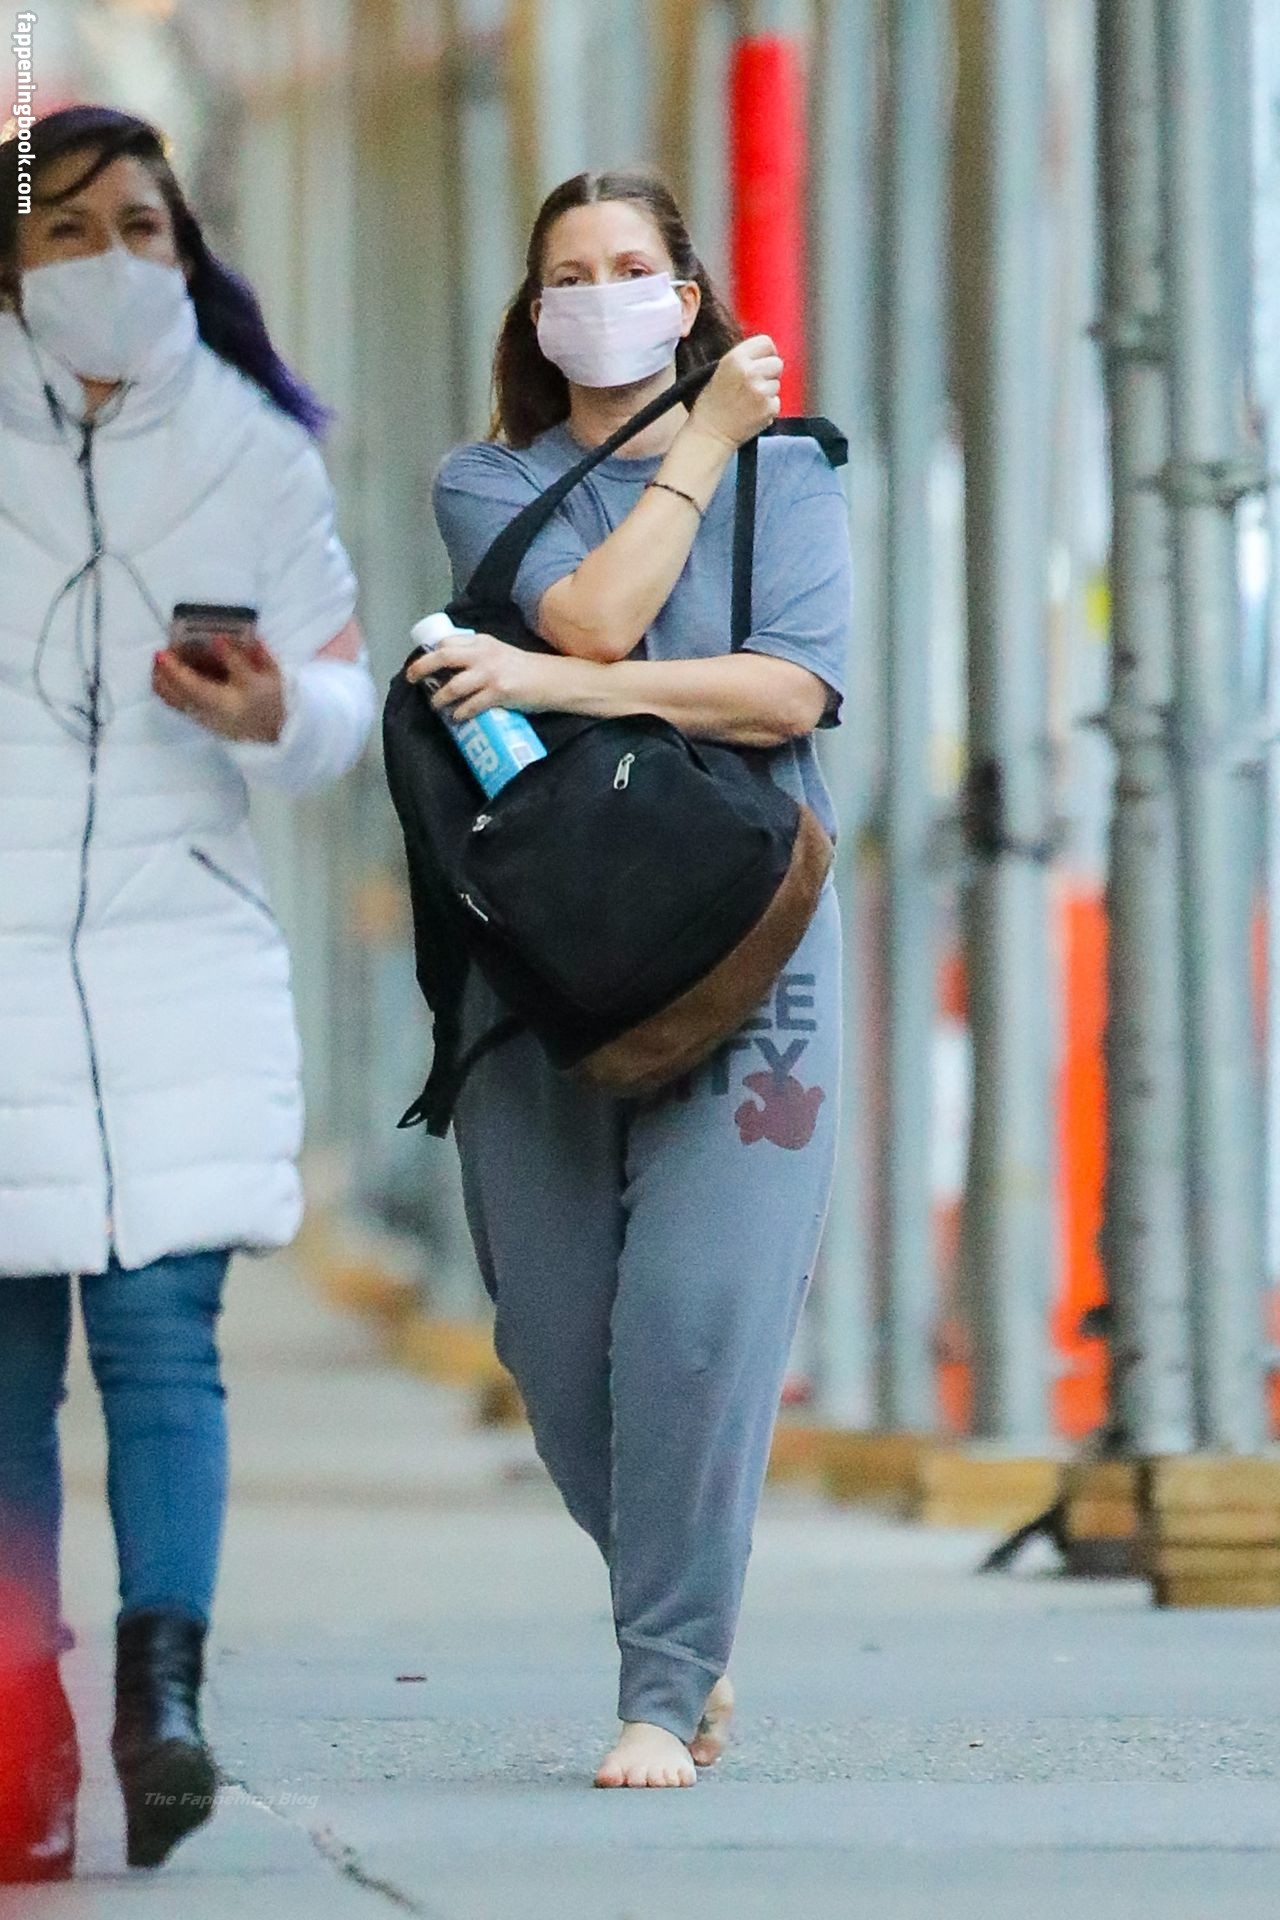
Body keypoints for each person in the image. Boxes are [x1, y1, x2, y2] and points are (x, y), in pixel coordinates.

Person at [420, 169, 851, 1789]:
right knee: (555, 1350)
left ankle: (665, 1685)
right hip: (543, 949)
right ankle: (683, 1612)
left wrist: (540, 680)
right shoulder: (491, 479)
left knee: (700, 1324)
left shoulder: (792, 475)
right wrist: (700, 444)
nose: (598, 294)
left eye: (630, 267)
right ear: (536, 315)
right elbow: (596, 617)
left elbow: (788, 696)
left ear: (687, 298)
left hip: (753, 945)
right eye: (568, 274)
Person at [0, 107, 374, 1879]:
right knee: (5, 1378)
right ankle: (24, 1731)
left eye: (140, 227)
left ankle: (164, 1705)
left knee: (163, 1349)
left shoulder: (252, 448)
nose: (109, 261)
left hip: (180, 961)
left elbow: (344, 699)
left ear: (186, 246)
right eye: (66, 230)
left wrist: (275, 712)